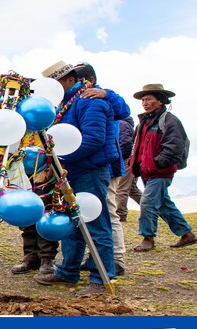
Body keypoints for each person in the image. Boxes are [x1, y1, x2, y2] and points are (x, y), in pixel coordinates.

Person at [33, 61, 117, 295]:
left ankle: (101, 279)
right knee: (71, 225)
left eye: (56, 83)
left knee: (95, 225)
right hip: (69, 172)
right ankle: (67, 272)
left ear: (70, 80)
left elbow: (93, 140)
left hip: (89, 171)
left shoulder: (91, 101)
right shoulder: (65, 105)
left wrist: (57, 161)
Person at [74, 62, 131, 276]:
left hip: (107, 164)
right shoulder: (78, 101)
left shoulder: (102, 98)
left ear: (89, 80)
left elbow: (124, 110)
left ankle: (116, 261)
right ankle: (96, 259)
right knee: (91, 212)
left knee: (106, 212)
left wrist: (106, 93)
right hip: (97, 163)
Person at [130, 84, 197, 251]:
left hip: (160, 171)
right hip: (147, 171)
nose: (144, 103)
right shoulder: (143, 122)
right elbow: (135, 145)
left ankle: (148, 238)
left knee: (147, 202)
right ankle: (187, 234)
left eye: (148, 99)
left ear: (160, 101)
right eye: (143, 100)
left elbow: (175, 147)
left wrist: (157, 163)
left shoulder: (170, 120)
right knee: (163, 204)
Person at [115, 116, 142, 222]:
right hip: (131, 159)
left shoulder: (122, 124)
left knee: (122, 188)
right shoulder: (124, 124)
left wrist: (118, 157)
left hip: (126, 160)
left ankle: (120, 214)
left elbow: (125, 144)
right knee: (132, 189)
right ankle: (152, 208)